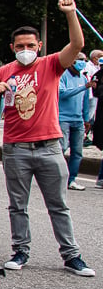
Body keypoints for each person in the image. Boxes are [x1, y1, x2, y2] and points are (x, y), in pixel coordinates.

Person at [0, 0, 95, 276]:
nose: (25, 50)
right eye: (20, 46)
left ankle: (71, 255)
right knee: (17, 206)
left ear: (39, 46)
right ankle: (20, 250)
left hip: (49, 146)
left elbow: (77, 46)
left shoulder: (50, 65)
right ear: (12, 48)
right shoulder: (3, 72)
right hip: (16, 148)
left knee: (58, 205)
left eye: (30, 46)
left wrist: (71, 14)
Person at [57, 53, 93, 191]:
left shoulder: (83, 77)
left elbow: (85, 101)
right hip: (63, 119)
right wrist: (84, 87)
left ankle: (71, 179)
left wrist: (86, 118)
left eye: (84, 60)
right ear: (71, 61)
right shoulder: (62, 75)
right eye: (80, 60)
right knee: (61, 148)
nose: (83, 62)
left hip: (78, 120)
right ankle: (58, 178)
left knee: (77, 152)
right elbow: (63, 93)